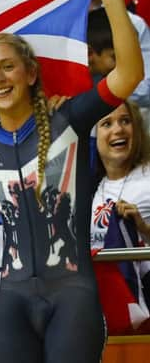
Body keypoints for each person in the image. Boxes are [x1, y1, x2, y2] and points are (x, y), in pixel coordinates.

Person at [0, 0, 144, 363]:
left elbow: (129, 75)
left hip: (73, 298)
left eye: (7, 67)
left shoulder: (69, 119)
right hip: (13, 299)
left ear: (30, 74)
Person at [91, 101, 150, 333]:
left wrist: (143, 228)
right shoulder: (93, 188)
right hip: (102, 309)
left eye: (125, 121)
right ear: (94, 137)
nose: (118, 130)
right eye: (107, 123)